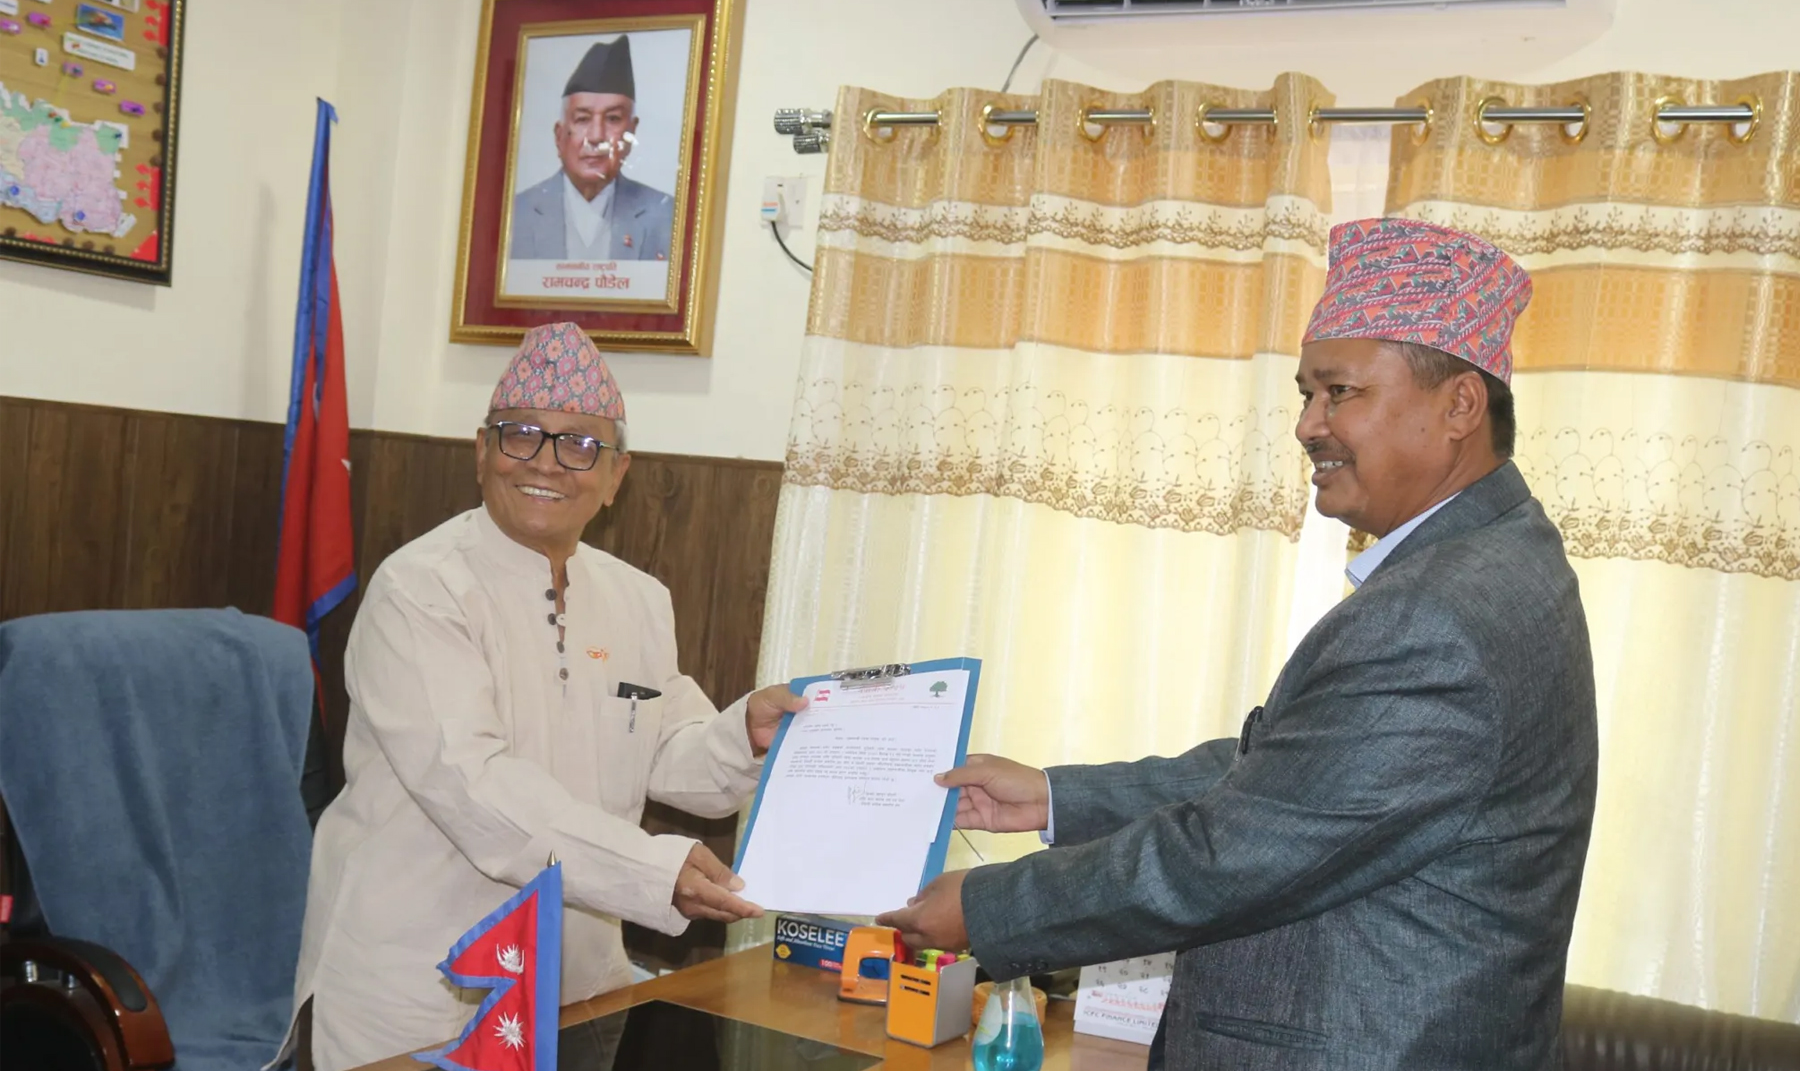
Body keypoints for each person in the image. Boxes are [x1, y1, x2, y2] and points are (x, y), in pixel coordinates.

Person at [879, 218, 1599, 1070]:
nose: (1308, 425)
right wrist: (1056, 797)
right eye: (1306, 395)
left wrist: (990, 907)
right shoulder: (1502, 554)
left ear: (1460, 407)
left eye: (1339, 392)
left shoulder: (1437, 615)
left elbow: (1234, 856)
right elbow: (1300, 775)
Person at [288, 322, 799, 1071]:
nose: (547, 462)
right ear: (481, 451)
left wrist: (745, 734)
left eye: (580, 444)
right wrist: (649, 873)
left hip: (577, 978)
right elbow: (474, 786)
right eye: (521, 434)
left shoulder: (637, 599)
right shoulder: (420, 590)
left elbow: (668, 751)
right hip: (423, 980)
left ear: (616, 475)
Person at [509, 35, 675, 262]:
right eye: (582, 119)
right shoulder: (514, 215)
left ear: (631, 132)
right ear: (559, 135)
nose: (596, 136)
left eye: (613, 118)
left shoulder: (667, 216)